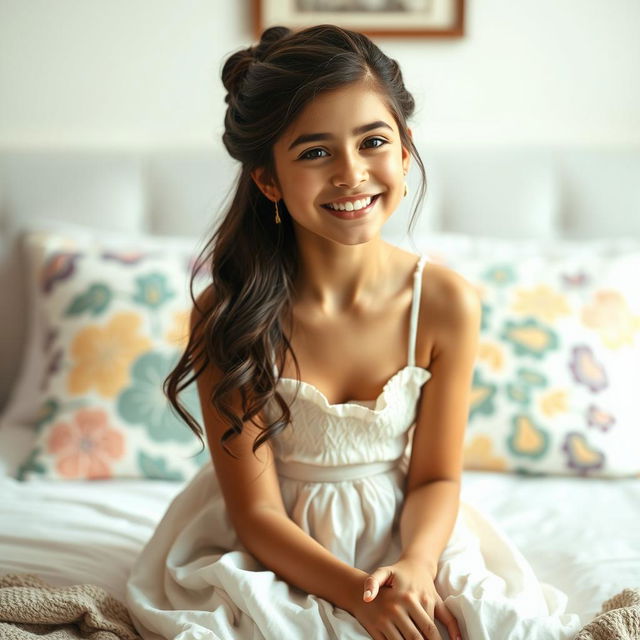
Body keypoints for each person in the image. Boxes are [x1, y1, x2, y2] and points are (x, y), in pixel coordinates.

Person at [126, 24, 583, 640]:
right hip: (273, 539)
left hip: (409, 528)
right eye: (315, 152)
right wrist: (359, 597)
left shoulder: (444, 303)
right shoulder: (229, 311)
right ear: (268, 180)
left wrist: (416, 567)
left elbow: (437, 478)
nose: (350, 174)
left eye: (372, 141)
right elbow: (256, 512)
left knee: (485, 622)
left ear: (403, 149)